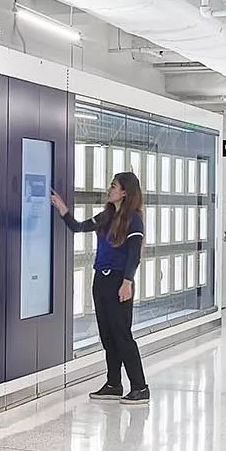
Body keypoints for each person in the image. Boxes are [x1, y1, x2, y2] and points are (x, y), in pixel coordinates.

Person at [52, 171, 149, 405]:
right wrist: (62, 208)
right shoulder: (106, 216)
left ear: (125, 192)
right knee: (107, 335)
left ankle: (140, 387)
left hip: (119, 281)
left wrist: (127, 282)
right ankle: (114, 384)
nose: (109, 190)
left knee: (122, 335)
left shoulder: (133, 219)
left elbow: (134, 255)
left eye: (114, 186)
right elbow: (78, 227)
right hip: (101, 280)